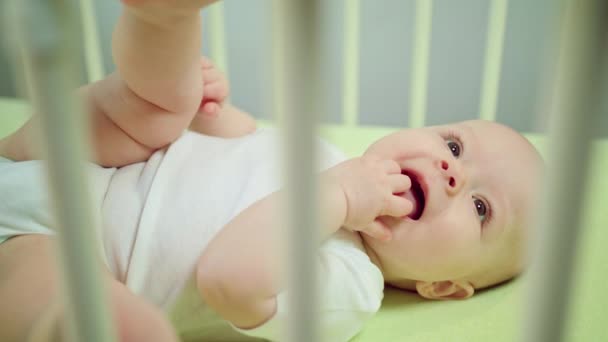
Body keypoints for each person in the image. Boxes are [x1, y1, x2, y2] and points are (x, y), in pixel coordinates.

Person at [0, 0, 544, 341]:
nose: (452, 171)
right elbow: (236, 143)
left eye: (480, 207)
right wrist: (207, 108)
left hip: (55, 244)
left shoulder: (351, 288)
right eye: (454, 143)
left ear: (442, 285)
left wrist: (339, 196)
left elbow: (229, 280)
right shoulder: (326, 157)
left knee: (65, 302)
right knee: (160, 106)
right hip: (70, 157)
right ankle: (162, 20)